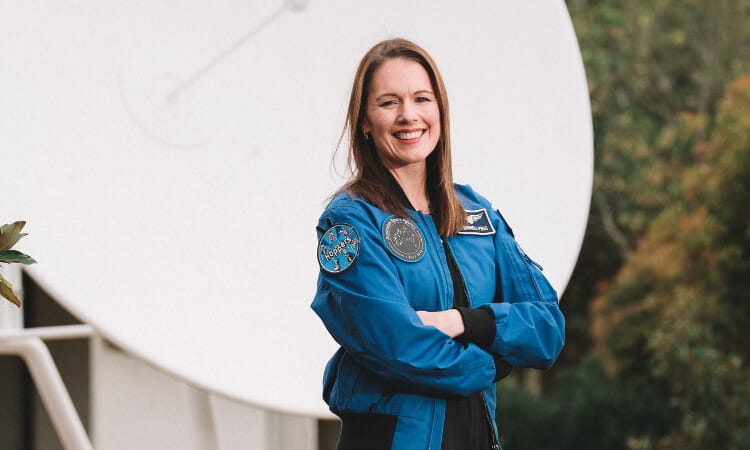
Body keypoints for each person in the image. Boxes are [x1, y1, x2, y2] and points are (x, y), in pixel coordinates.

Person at [311, 38, 565, 450]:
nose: (408, 115)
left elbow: (548, 328)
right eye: (388, 102)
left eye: (421, 98)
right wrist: (494, 362)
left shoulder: (477, 214)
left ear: (440, 110)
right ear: (364, 121)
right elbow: (397, 344)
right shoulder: (351, 222)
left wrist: (466, 322)